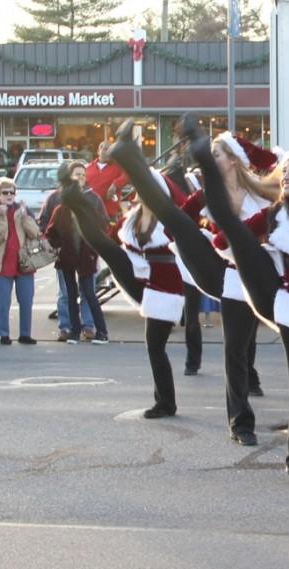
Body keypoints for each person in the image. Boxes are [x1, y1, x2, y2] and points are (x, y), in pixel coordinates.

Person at [191, 115, 289, 486]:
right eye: (285, 169)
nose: (286, 174)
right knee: (240, 351)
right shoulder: (274, 213)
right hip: (275, 292)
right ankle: (268, 439)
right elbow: (225, 240)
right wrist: (254, 250)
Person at [109, 123, 269, 446]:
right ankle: (241, 422)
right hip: (227, 274)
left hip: (262, 277)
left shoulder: (261, 191)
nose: (211, 159)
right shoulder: (210, 192)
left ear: (234, 159)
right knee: (234, 352)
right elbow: (179, 214)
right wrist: (192, 238)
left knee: (255, 347)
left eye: (217, 153)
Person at [61, 169, 184, 419]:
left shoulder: (169, 216)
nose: (137, 190)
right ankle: (78, 204)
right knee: (101, 243)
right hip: (137, 275)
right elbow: (110, 239)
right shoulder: (132, 216)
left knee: (155, 346)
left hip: (164, 284)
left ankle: (166, 403)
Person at [38, 161, 104, 342]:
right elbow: (45, 223)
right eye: (77, 174)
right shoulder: (56, 198)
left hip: (86, 255)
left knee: (87, 292)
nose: (81, 178)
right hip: (66, 255)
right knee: (66, 293)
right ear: (69, 176)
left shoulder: (93, 199)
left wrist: (94, 248)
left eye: (83, 175)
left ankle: (88, 326)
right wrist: (56, 245)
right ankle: (66, 327)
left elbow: (103, 225)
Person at [0, 178, 41, 345]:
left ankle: (25, 334)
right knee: (3, 301)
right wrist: (1, 218)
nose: (9, 195)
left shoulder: (23, 210)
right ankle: (4, 334)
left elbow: (35, 233)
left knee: (26, 299)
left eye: (12, 192)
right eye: (5, 193)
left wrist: (25, 218)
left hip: (23, 263)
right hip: (2, 263)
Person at [85, 140, 128, 222]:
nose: (108, 152)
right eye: (105, 149)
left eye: (110, 150)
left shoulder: (118, 167)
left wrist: (115, 184)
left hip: (109, 214)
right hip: (90, 213)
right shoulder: (88, 168)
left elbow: (128, 176)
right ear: (98, 151)